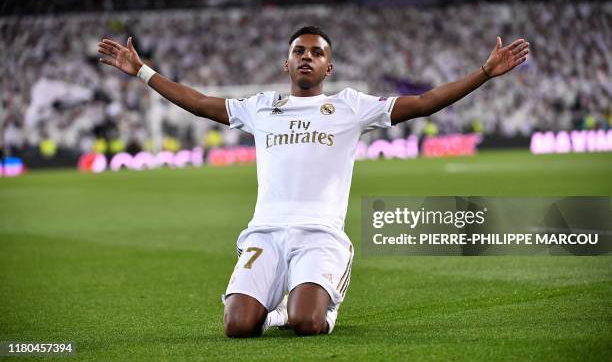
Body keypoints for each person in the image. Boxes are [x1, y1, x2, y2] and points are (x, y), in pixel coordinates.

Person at [98, 26, 529, 337]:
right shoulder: (261, 107)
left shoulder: (351, 107)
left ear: (329, 66)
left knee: (307, 323)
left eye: (316, 52)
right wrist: (143, 72)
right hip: (265, 233)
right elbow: (200, 104)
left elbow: (423, 104)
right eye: (299, 51)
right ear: (286, 63)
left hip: (320, 235)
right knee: (237, 327)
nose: (307, 56)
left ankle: (311, 306)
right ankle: (276, 299)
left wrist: (484, 73)